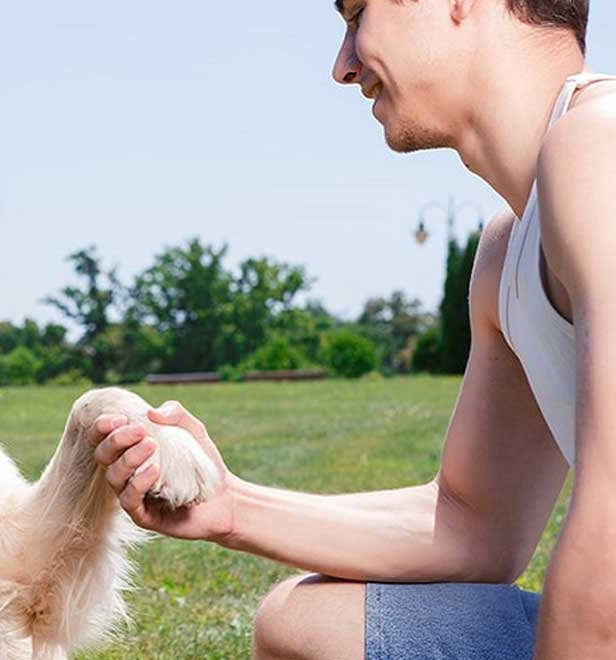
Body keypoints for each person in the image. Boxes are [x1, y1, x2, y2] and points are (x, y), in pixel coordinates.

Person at [92, 1, 615, 658]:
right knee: (303, 624)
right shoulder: (508, 252)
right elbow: (474, 527)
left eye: (357, 12)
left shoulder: (600, 144)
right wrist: (231, 507)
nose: (343, 66)